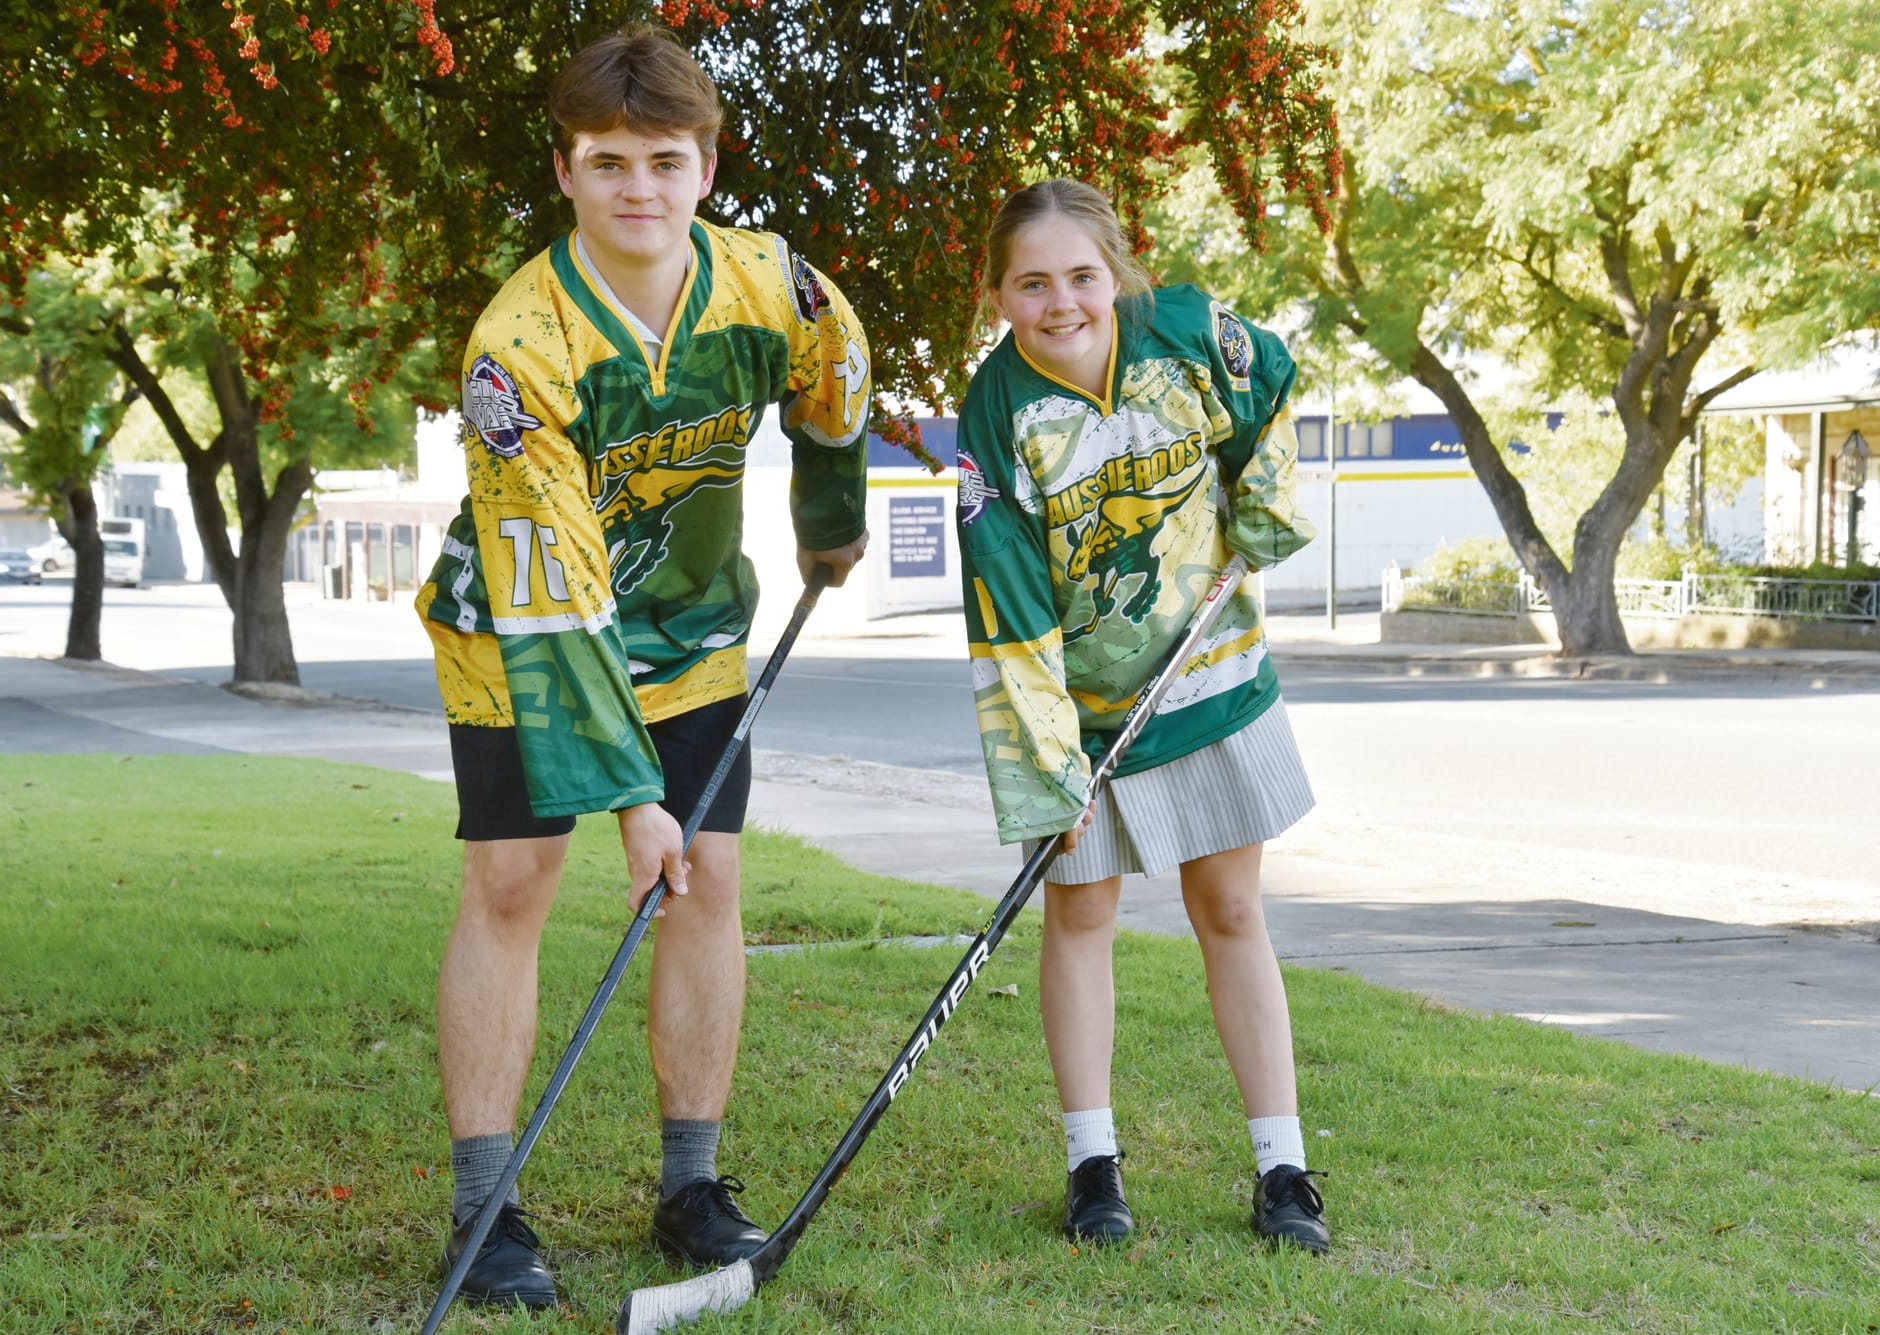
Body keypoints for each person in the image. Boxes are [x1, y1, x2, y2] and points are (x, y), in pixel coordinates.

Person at [414, 25, 871, 1308]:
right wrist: (628, 800)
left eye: (663, 162)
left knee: (706, 880)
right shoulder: (521, 342)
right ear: (563, 172)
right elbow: (554, 592)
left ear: (705, 167)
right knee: (515, 882)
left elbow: (838, 375)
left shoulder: (770, 287)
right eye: (606, 162)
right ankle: (483, 1210)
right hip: (520, 630)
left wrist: (827, 519)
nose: (637, 190)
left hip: (689, 628)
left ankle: (690, 1190)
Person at [952, 178, 1328, 1255]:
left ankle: (1283, 1167)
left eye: (1081, 276)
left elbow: (1273, 385)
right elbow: (1003, 588)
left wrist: (1257, 506)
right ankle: (1090, 1164)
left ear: (1116, 271)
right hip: (1077, 709)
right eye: (1032, 283)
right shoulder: (996, 412)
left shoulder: (1185, 330)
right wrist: (1046, 764)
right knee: (1078, 915)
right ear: (999, 297)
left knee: (1231, 911)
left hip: (1209, 675)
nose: (1061, 301)